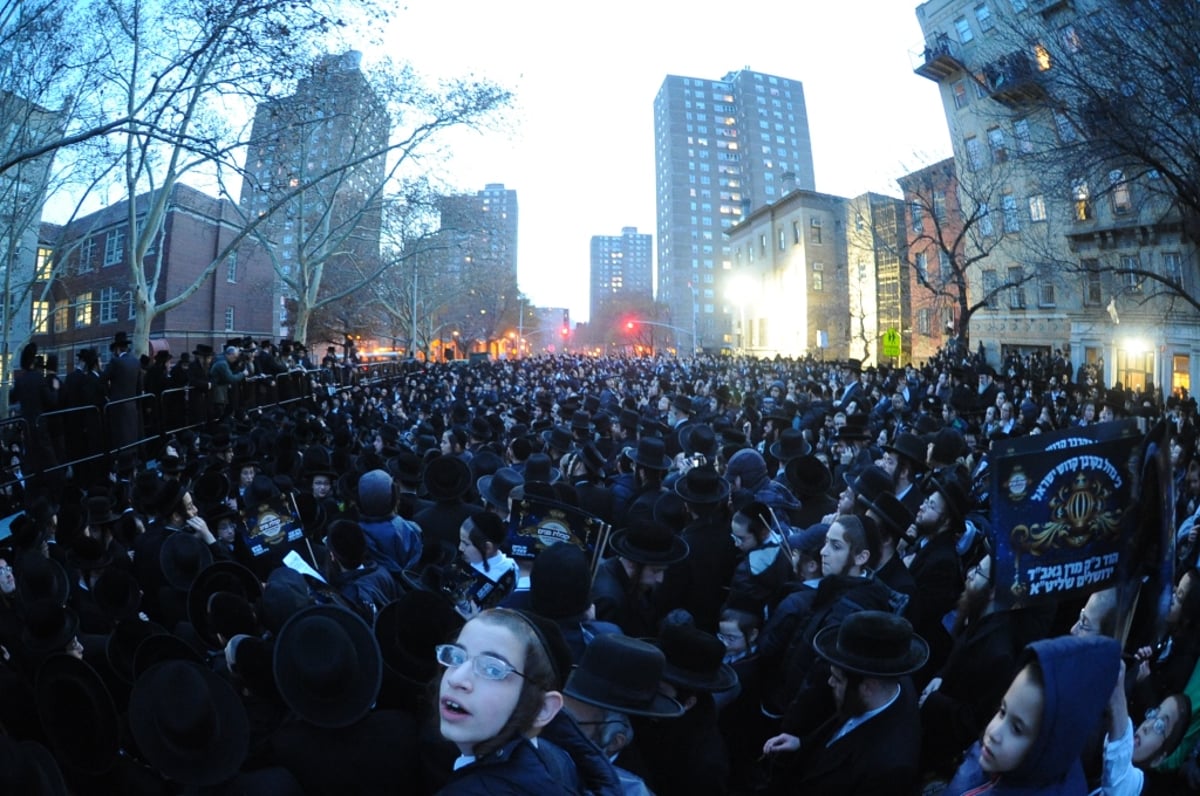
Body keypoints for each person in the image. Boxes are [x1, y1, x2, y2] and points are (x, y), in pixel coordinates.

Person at [761, 610, 928, 795]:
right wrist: (802, 743)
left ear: (868, 687)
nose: (830, 682)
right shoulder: (887, 681)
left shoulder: (888, 769)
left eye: (837, 679)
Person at [944, 634, 1121, 795]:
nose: (993, 732)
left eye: (1017, 729)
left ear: (1049, 747)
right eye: (1002, 711)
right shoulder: (1004, 763)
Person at [435, 608, 583, 793]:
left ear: (543, 709)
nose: (455, 679)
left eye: (492, 670)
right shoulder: (556, 758)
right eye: (457, 657)